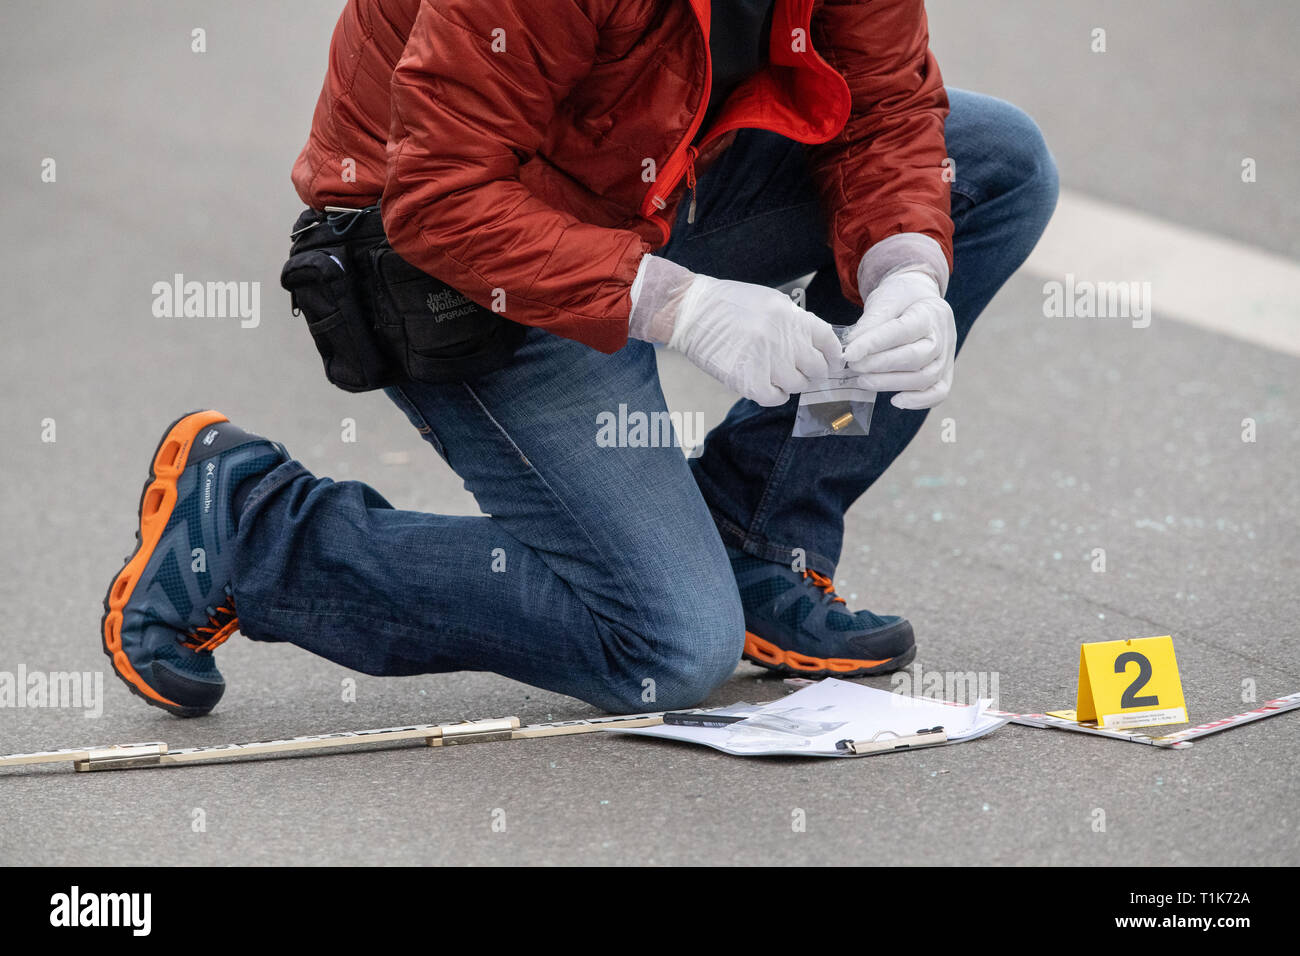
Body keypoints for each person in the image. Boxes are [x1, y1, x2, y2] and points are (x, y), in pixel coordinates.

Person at [100, 0, 1057, 718]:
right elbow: (438, 199)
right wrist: (680, 304)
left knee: (993, 162)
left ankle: (756, 539)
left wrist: (906, 266)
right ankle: (252, 530)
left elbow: (889, 109)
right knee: (670, 644)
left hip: (652, 181)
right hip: (454, 260)